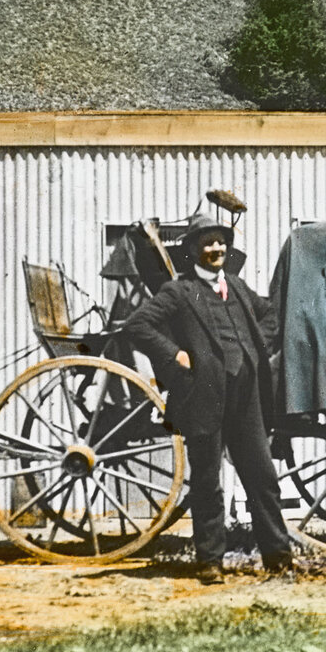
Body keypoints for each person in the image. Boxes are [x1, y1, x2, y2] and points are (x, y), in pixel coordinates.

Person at [122, 212, 296, 583]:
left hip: (246, 398)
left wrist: (256, 350)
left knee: (263, 476)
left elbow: (271, 317)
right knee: (206, 482)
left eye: (220, 242)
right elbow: (138, 325)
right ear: (193, 249)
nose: (216, 248)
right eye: (207, 243)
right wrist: (174, 354)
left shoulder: (237, 286)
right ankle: (211, 562)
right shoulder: (179, 291)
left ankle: (278, 558)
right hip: (204, 398)